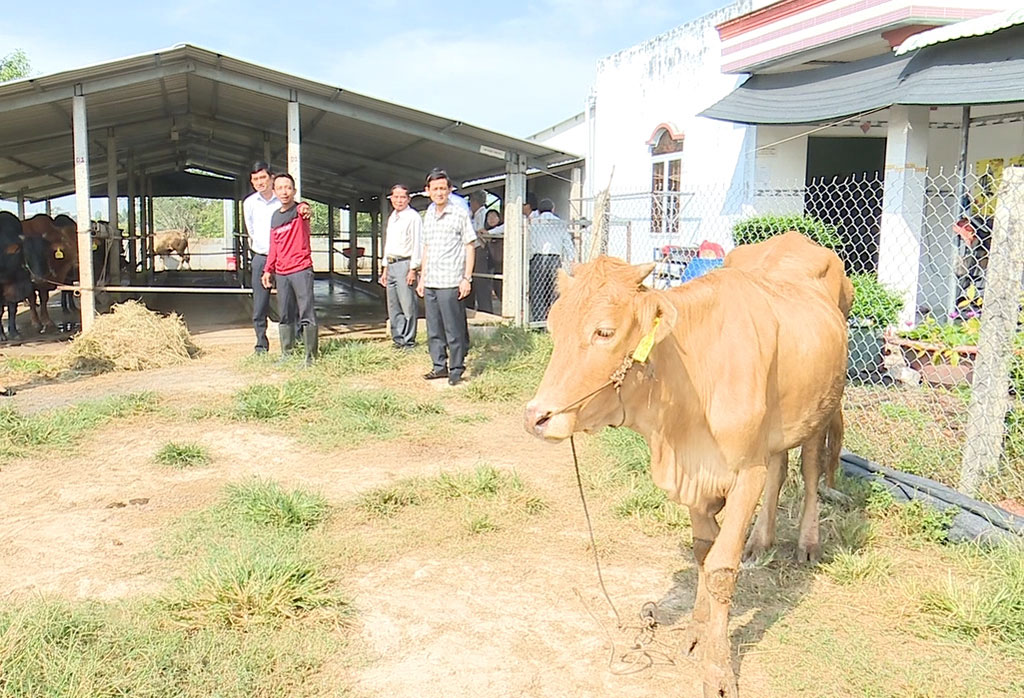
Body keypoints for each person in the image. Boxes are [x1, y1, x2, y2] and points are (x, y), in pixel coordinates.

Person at [242, 161, 309, 355]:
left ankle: (295, 342)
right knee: (260, 303)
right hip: (262, 257)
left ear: (271, 178)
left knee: (291, 301)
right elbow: (251, 230)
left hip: (286, 259)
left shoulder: (282, 200)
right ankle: (261, 345)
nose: (260, 182)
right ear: (252, 182)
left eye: (263, 177)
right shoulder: (249, 203)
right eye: (255, 179)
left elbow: (300, 211)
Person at [416, 168, 476, 386]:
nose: (439, 192)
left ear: (450, 190)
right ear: (428, 191)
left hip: (451, 281)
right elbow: (426, 247)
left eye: (443, 188)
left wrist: (466, 278)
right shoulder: (429, 214)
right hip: (431, 280)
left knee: (453, 328)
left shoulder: (459, 213)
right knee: (433, 328)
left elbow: (470, 246)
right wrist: (422, 277)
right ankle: (438, 366)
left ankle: (456, 368)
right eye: (435, 189)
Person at [261, 173, 318, 366]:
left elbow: (305, 208)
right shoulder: (275, 217)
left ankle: (311, 357)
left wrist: (305, 207)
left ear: (293, 191)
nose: (284, 192)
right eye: (280, 188)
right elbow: (274, 245)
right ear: (274, 191)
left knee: (306, 313)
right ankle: (287, 353)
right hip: (282, 272)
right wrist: (268, 270)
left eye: (288, 188)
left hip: (301, 269)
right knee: (284, 314)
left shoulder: (300, 211)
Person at [379, 183, 422, 349]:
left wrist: (413, 269)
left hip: (405, 263)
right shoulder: (393, 217)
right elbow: (388, 244)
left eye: (402, 197)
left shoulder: (413, 217)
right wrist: (385, 268)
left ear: (408, 198)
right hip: (391, 263)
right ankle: (398, 339)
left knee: (407, 304)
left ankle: (409, 340)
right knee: (393, 304)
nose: (399, 200)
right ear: (391, 199)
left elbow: (418, 243)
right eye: (395, 197)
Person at [529, 198, 575, 322]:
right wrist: (571, 259)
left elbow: (531, 243)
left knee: (537, 290)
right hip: (555, 258)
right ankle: (554, 319)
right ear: (553, 209)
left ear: (538, 210)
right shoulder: (560, 223)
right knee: (554, 290)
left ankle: (538, 321)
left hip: (538, 258)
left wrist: (531, 256)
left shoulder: (534, 222)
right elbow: (567, 242)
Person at [468, 190, 494, 314]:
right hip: (474, 249)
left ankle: (486, 310)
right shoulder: (473, 215)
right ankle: (470, 306)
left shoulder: (483, 214)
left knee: (481, 281)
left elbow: (479, 231)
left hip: (480, 249)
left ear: (475, 202)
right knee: (473, 279)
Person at [484, 208, 503, 303]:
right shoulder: (483, 232)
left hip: (501, 264)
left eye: (494, 216)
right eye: (489, 217)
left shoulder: (502, 230)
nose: (491, 219)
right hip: (489, 263)